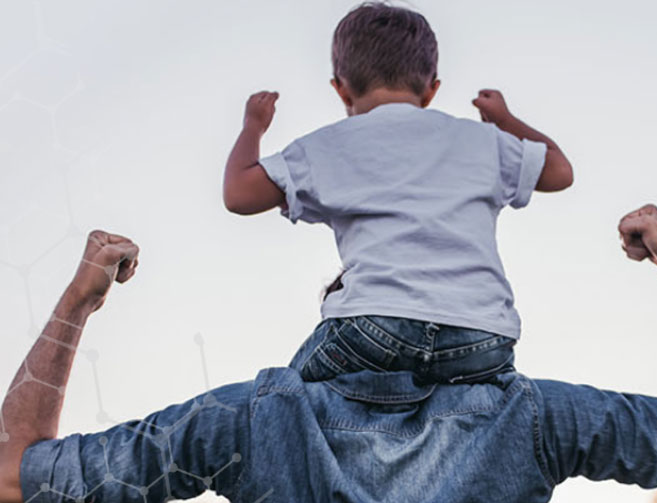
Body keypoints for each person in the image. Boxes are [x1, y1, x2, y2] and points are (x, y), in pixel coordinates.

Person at [0, 205, 657, 503]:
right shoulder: (536, 419)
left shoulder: (248, 420)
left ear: (337, 312)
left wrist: (79, 303)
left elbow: (12, 478)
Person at [221, 3, 575, 383]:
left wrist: (253, 127)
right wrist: (504, 120)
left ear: (340, 89)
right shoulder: (481, 141)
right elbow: (560, 171)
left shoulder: (328, 146)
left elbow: (238, 194)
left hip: (375, 330)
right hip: (483, 338)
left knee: (285, 398)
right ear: (431, 89)